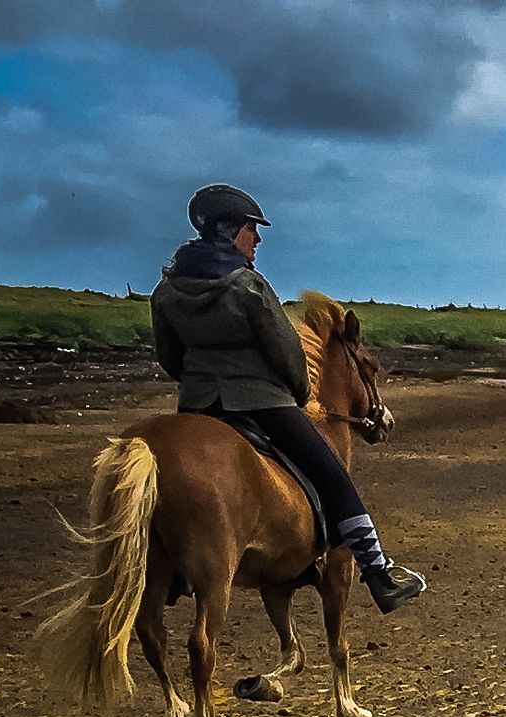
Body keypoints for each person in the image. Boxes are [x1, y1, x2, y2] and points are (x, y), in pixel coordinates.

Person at [150, 186, 426, 612]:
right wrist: (298, 393)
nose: (256, 239)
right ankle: (378, 572)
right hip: (262, 403)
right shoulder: (248, 287)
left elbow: (170, 357)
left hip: (198, 404)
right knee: (333, 475)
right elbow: (285, 352)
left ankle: (171, 572)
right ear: (229, 231)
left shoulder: (166, 290)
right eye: (250, 229)